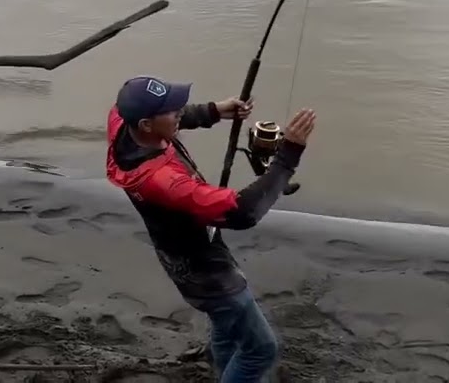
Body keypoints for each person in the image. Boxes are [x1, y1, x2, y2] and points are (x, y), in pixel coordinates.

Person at [105, 76, 316, 383]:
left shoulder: (124, 123)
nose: (178, 110)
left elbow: (168, 115)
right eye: (171, 110)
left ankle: (222, 369)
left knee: (225, 326)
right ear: (147, 125)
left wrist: (215, 111)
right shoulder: (163, 182)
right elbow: (243, 212)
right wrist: (287, 156)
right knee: (261, 349)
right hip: (209, 275)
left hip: (180, 256)